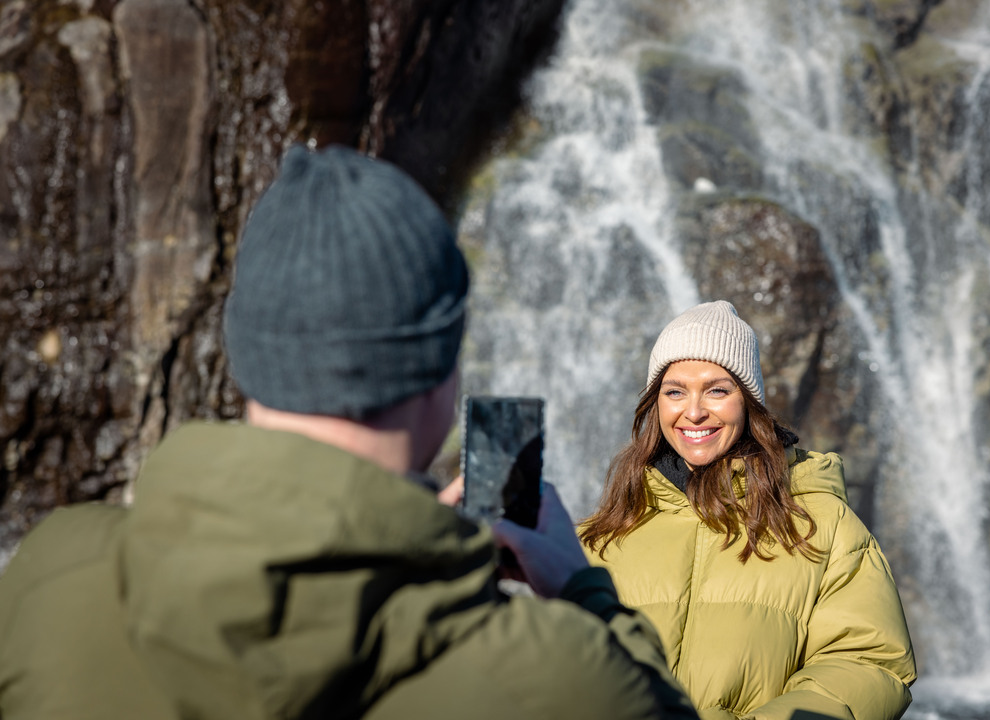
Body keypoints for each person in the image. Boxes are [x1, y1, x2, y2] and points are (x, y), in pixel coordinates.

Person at [0, 145, 700, 720]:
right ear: (439, 374)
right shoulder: (558, 683)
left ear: (246, 356)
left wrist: (396, 532)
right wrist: (582, 588)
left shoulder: (53, 579)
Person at [579, 301, 917, 720]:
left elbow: (867, 661)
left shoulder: (823, 524)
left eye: (717, 390)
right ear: (655, 404)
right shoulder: (602, 534)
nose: (695, 411)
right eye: (675, 391)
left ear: (748, 402)